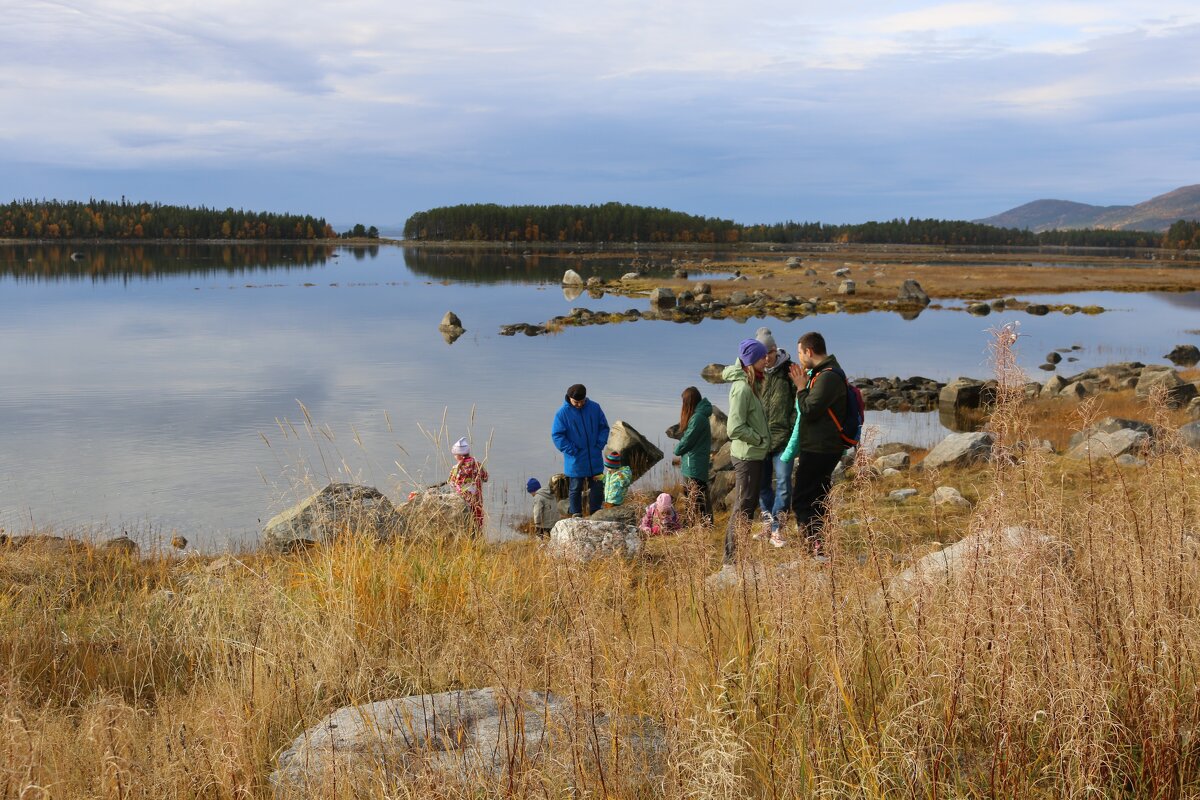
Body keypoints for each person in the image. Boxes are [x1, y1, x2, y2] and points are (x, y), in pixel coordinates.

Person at [783, 331, 849, 553]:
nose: (799, 357)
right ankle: (820, 543)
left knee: (802, 499)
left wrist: (801, 387)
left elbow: (809, 409)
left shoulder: (829, 376)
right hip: (821, 446)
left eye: (800, 352)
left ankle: (813, 545)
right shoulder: (822, 373)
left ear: (809, 351)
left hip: (821, 448)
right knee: (819, 496)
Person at [721, 338, 773, 563]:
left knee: (747, 505)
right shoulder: (742, 388)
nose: (767, 359)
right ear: (751, 361)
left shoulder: (752, 382)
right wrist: (759, 439)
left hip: (752, 454)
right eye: (762, 357)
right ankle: (732, 559)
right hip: (747, 455)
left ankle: (736, 555)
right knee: (743, 506)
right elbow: (734, 428)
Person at [753, 327, 797, 540]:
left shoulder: (789, 370)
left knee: (783, 483)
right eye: (761, 355)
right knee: (761, 485)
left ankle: (778, 527)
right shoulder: (755, 373)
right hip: (760, 441)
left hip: (783, 440)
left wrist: (791, 429)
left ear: (774, 350)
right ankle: (769, 523)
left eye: (768, 353)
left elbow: (798, 404)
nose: (766, 358)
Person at [551, 383, 610, 516]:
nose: (579, 404)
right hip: (575, 459)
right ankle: (576, 513)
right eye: (576, 402)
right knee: (575, 487)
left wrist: (599, 444)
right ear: (569, 398)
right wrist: (571, 449)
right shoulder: (562, 414)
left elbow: (604, 427)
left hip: (594, 456)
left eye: (582, 401)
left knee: (597, 486)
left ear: (585, 397)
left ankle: (596, 512)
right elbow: (557, 435)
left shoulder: (595, 407)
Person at [673, 386, 712, 522]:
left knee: (696, 498)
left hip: (694, 464)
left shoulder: (697, 418)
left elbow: (688, 440)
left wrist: (677, 450)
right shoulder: (699, 416)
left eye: (684, 402)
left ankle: (701, 527)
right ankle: (695, 526)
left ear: (689, 402)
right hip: (694, 462)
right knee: (696, 497)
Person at [448, 437, 488, 532]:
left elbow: (451, 483)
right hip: (477, 501)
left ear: (460, 456)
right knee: (477, 522)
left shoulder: (456, 469)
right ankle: (478, 537)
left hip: (462, 502)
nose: (454, 456)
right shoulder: (478, 464)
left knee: (464, 524)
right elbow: (485, 478)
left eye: (455, 455)